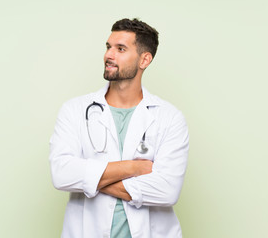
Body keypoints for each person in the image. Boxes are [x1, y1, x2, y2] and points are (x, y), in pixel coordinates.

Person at [49, 18, 189, 238]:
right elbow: (61, 174)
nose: (109, 55)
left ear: (144, 59)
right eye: (108, 47)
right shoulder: (74, 110)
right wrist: (133, 168)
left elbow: (167, 190)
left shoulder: (169, 117)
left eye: (120, 49)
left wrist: (89, 177)